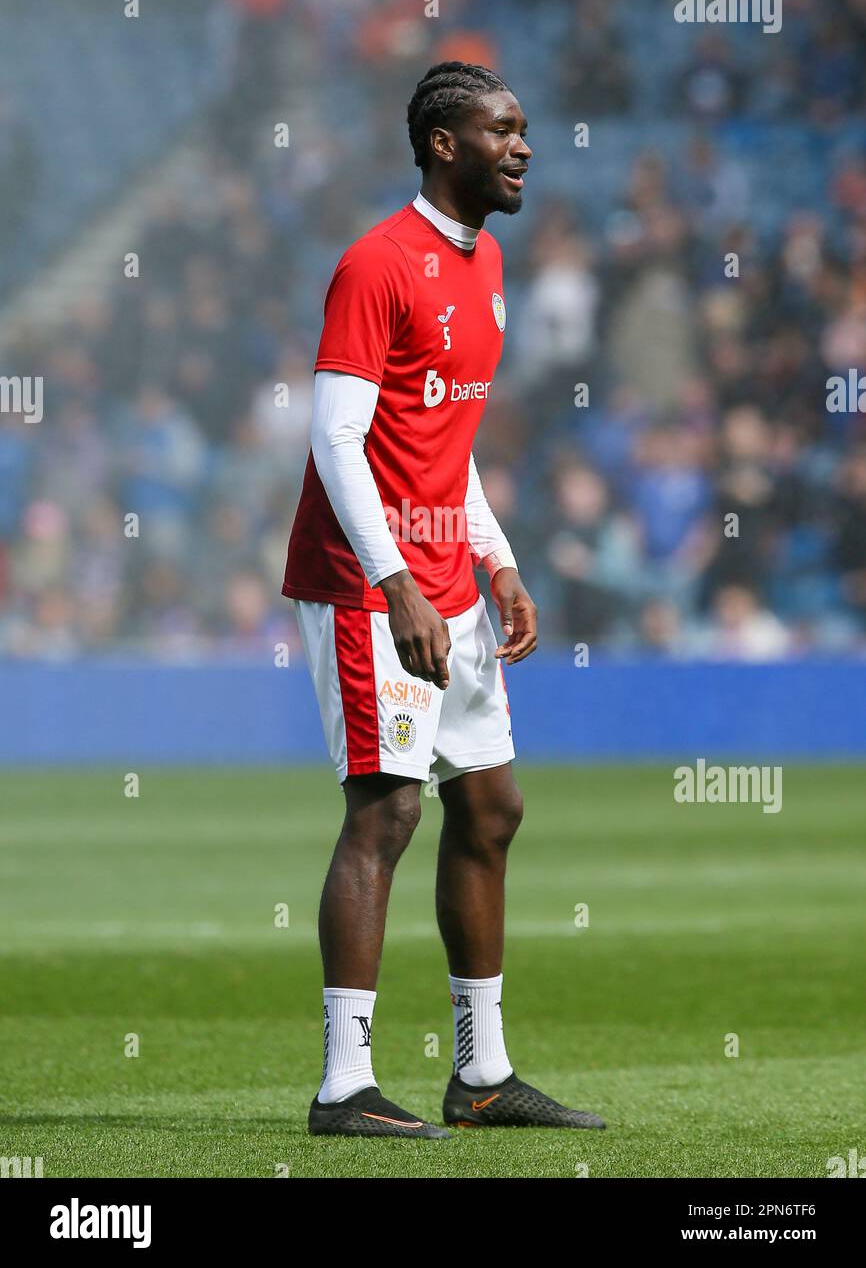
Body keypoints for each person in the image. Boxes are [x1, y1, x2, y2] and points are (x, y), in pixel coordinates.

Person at [282, 61, 605, 1139]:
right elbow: (335, 437)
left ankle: (478, 1075)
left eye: (524, 129)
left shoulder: (489, 264)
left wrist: (496, 559)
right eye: (500, 130)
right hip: (363, 582)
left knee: (490, 806)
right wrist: (394, 584)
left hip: (444, 579)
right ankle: (343, 1086)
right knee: (387, 809)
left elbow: (441, 443)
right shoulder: (374, 265)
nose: (521, 146)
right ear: (442, 145)